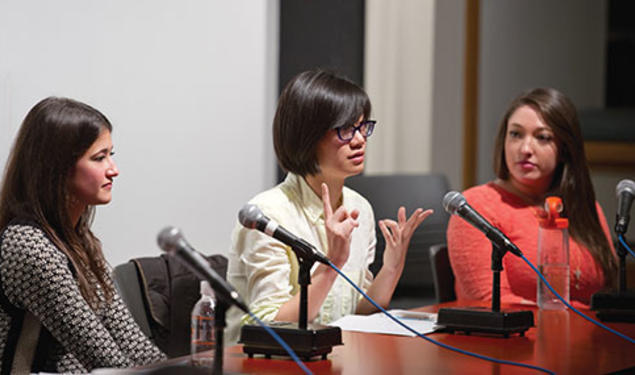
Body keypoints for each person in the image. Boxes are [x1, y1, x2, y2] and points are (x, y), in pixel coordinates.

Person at [226, 70, 433, 343]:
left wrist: (392, 267)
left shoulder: (360, 208)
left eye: (363, 127)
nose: (360, 140)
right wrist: (332, 263)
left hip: (329, 356)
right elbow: (270, 325)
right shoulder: (267, 214)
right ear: (307, 136)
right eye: (346, 130)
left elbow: (357, 314)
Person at [0, 97, 166, 373]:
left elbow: (132, 343)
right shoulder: (28, 246)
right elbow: (103, 359)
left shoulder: (78, 239)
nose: (113, 169)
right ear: (57, 169)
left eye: (112, 154)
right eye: (100, 158)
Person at [447, 88, 617, 306]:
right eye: (516, 134)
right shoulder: (476, 207)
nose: (525, 148)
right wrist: (577, 314)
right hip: (512, 338)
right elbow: (490, 301)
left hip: (590, 338)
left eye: (542, 137)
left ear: (565, 149)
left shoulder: (584, 206)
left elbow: (608, 292)